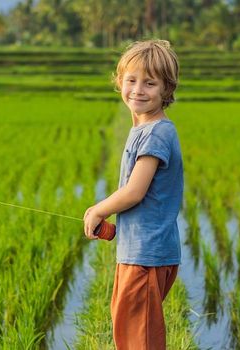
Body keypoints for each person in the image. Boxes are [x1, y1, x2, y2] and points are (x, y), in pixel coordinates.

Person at [83, 39, 184, 349]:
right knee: (128, 331)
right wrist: (116, 227)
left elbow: (135, 191)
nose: (138, 89)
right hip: (141, 251)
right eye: (131, 80)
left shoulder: (156, 133)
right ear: (119, 82)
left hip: (146, 256)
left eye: (150, 83)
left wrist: (99, 209)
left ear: (167, 89)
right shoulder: (144, 129)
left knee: (139, 340)